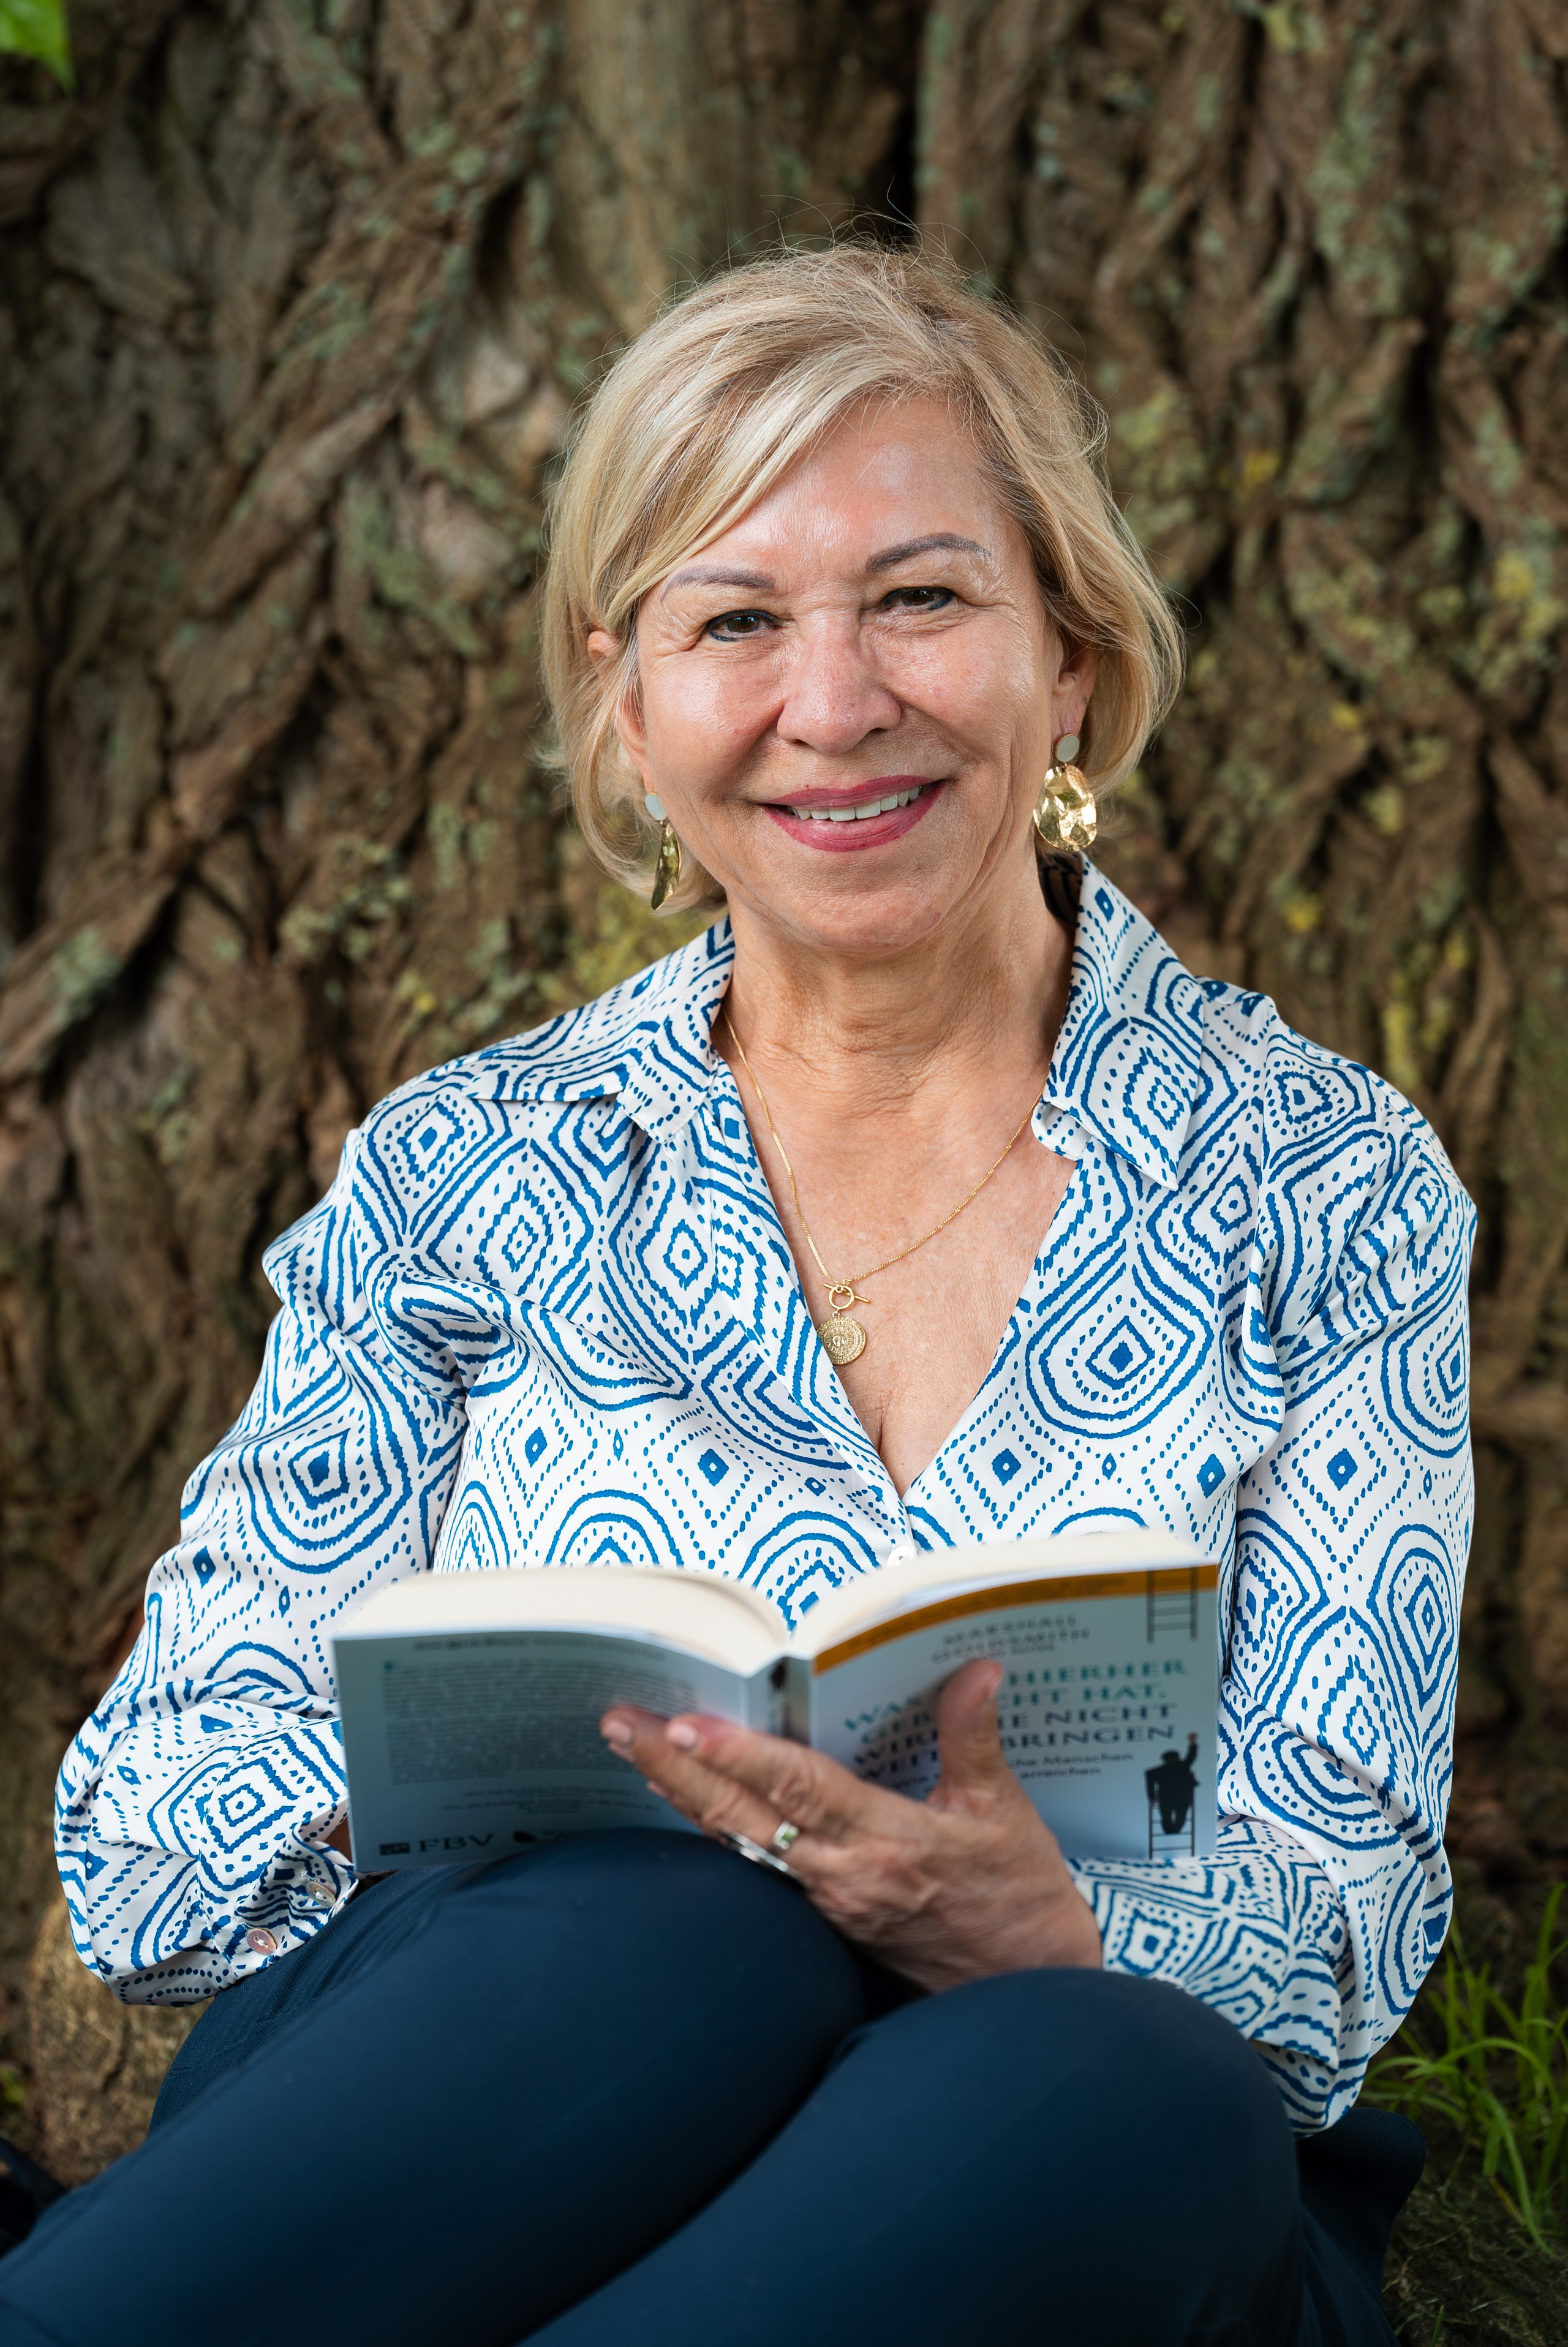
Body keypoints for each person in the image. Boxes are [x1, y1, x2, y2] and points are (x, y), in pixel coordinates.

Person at [1, 244, 1469, 2347]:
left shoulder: (1325, 1180)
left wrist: (1052, 1921)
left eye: (923, 598)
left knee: (1133, 2081)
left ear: (1069, 650)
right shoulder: (467, 1173)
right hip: (490, 2118)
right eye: (738, 621)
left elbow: (1341, 1928)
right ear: (629, 696)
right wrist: (512, 1785)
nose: (836, 700)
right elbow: (149, 1848)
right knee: (683, 1927)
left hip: (1062, 2170)